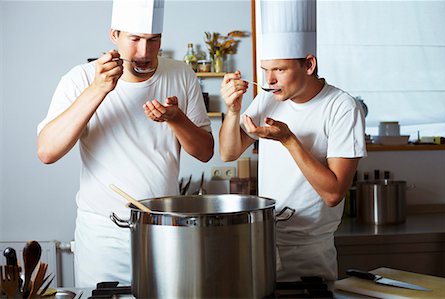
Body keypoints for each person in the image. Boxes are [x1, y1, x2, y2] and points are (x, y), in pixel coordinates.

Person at [36, 0, 213, 287]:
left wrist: (177, 119)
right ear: (114, 34)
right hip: (102, 235)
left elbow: (205, 152)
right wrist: (98, 90)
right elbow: (47, 151)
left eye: (153, 41)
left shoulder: (181, 74)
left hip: (163, 229)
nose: (144, 53)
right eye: (135, 40)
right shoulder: (81, 79)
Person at [219, 0, 366, 281]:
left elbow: (334, 194)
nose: (269, 80)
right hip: (262, 239)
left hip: (308, 251)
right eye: (265, 71)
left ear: (309, 64)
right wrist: (233, 109)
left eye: (280, 70)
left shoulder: (342, 107)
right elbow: (228, 152)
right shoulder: (268, 99)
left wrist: (288, 140)